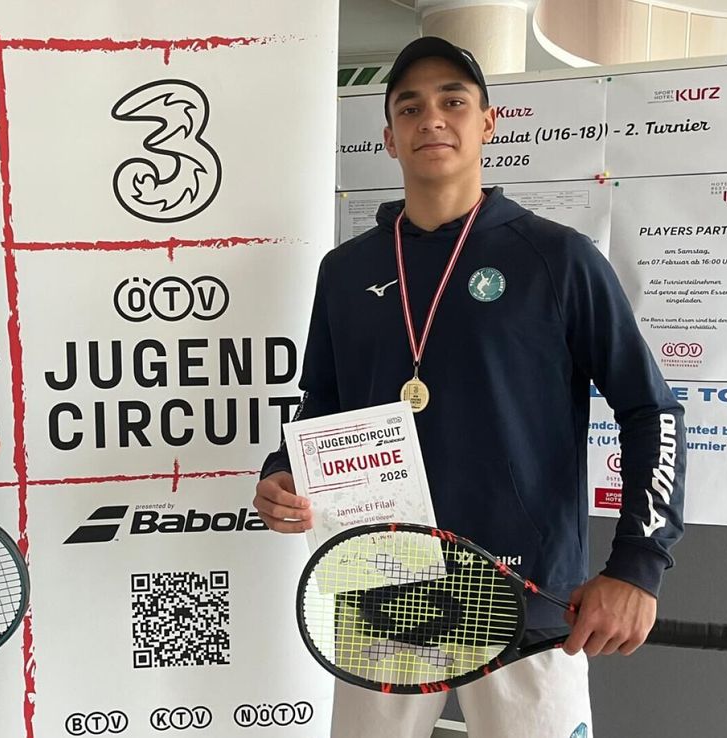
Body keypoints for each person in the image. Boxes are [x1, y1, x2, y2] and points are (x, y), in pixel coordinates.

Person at [253, 36, 687, 738]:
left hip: (526, 596)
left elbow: (652, 410)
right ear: (389, 138)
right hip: (383, 588)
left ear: (488, 122)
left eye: (453, 101)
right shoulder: (344, 272)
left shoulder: (558, 258)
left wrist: (638, 566)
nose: (432, 118)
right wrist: (282, 470)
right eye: (410, 107)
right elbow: (322, 407)